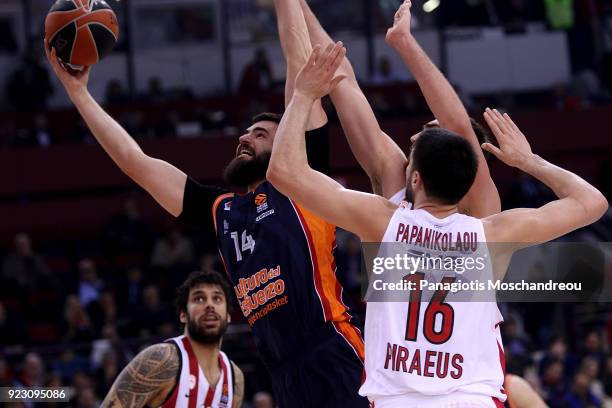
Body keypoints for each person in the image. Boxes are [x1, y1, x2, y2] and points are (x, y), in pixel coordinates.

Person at [44, 0, 364, 404]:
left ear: (285, 144)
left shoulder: (305, 185)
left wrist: (285, 4)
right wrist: (78, 94)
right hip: (284, 375)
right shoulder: (222, 210)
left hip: (333, 354)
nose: (245, 138)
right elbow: (137, 164)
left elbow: (300, 73)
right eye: (245, 133)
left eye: (260, 134)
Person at [266, 41, 607, 407]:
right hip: (471, 399)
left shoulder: (383, 222)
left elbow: (283, 171)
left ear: (414, 179)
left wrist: (303, 95)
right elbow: (593, 202)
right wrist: (528, 160)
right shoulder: (492, 233)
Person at [297, 0, 500, 218]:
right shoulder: (395, 178)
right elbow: (342, 81)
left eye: (430, 133)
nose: (413, 138)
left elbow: (458, 125)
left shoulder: (479, 209)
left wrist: (404, 41)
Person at [101, 271, 244, 408]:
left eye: (217, 299)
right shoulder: (162, 360)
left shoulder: (235, 378)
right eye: (199, 298)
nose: (209, 306)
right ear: (183, 315)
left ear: (228, 316)